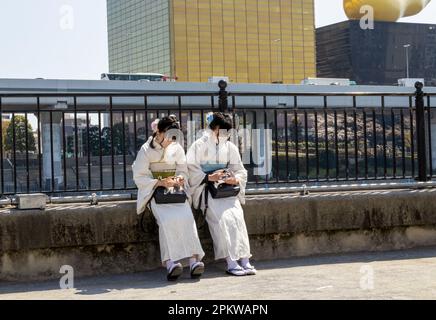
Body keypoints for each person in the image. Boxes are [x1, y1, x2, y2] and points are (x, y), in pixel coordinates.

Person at [132, 115, 205, 281]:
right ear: (158, 131)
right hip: (155, 193)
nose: (171, 140)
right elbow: (139, 176)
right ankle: (171, 263)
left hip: (175, 192)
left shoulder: (177, 148)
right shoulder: (145, 149)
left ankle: (194, 260)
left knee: (187, 218)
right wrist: (159, 182)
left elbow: (183, 170)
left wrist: (179, 178)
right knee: (166, 221)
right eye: (168, 135)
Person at [187, 112, 256, 276]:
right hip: (207, 190)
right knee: (223, 219)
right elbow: (190, 169)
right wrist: (209, 177)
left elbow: (239, 169)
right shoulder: (197, 145)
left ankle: (245, 259)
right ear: (214, 128)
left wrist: (236, 179)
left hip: (226, 190)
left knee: (238, 217)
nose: (225, 134)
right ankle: (231, 261)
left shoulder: (230, 147)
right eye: (222, 130)